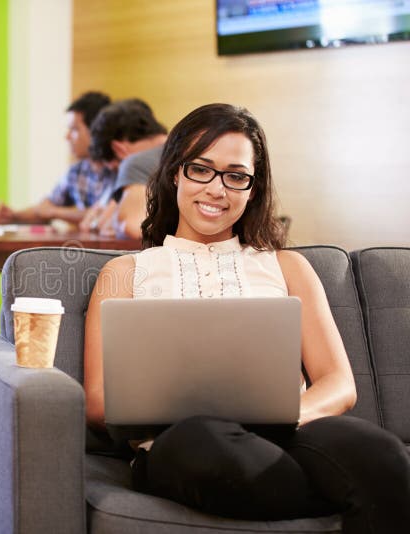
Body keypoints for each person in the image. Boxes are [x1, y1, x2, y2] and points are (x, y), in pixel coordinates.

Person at [83, 103, 410, 530]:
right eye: (202, 169)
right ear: (174, 173)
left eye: (236, 176)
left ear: (252, 189)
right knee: (203, 443)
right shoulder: (124, 273)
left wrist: (284, 414)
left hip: (292, 432)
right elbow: (97, 400)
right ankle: (340, 496)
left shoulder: (287, 267)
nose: (217, 189)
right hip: (181, 442)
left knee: (381, 455)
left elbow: (338, 384)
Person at [0, 91, 116, 225]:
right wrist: (13, 216)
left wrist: (55, 212)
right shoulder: (77, 171)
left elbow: (106, 213)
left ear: (96, 130)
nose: (67, 137)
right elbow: (45, 207)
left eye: (74, 130)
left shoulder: (118, 168)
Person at [82, 98, 167, 239]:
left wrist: (110, 216)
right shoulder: (187, 146)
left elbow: (128, 227)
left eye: (116, 169)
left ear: (119, 149)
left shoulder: (134, 163)